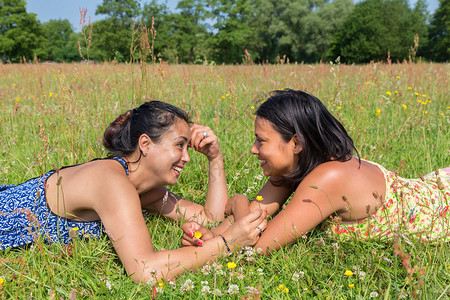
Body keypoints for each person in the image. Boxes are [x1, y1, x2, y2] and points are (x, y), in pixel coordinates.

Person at [0, 100, 267, 282]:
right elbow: (143, 270)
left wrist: (215, 158)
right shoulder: (112, 181)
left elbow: (211, 218)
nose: (186, 157)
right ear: (145, 144)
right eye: (179, 145)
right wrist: (227, 243)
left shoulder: (143, 190)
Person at [182, 89, 450, 253]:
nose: (253, 149)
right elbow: (256, 216)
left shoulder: (328, 178)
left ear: (296, 143)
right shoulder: (298, 166)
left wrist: (239, 201)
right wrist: (215, 237)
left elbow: (259, 245)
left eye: (261, 141)